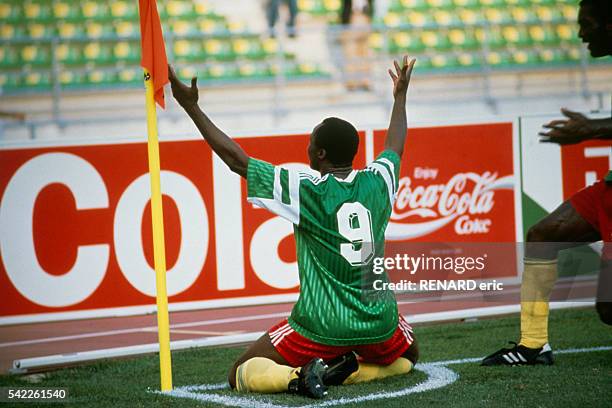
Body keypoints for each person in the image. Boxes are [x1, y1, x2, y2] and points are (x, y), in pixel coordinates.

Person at [168, 55, 418, 398]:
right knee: (409, 355)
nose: (308, 144)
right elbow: (395, 145)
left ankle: (299, 378)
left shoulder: (306, 190)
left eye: (311, 141)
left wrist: (191, 108)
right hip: (378, 319)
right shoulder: (379, 181)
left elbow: (236, 160)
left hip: (321, 326)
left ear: (320, 154)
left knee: (240, 371)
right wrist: (400, 97)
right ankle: (352, 372)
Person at [481, 0, 612, 366]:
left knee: (608, 309)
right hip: (609, 191)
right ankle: (533, 346)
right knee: (542, 237)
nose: (581, 32)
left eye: (587, 23)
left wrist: (592, 128)